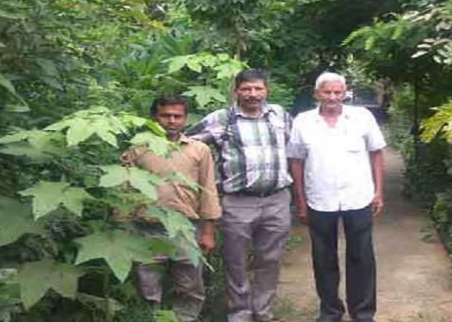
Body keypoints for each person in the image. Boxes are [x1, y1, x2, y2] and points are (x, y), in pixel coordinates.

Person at [188, 69, 292, 322]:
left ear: (266, 90)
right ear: (236, 92)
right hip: (237, 202)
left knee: (270, 259)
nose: (253, 94)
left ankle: (263, 310)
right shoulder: (221, 119)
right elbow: (187, 145)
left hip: (277, 199)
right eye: (246, 89)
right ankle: (240, 313)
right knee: (235, 261)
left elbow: (296, 147)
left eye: (258, 88)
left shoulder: (280, 115)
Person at [288, 72, 386, 322]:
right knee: (323, 258)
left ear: (345, 93)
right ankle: (330, 310)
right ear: (316, 94)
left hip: (358, 197)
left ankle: (363, 313)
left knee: (361, 256)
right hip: (319, 199)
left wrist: (378, 191)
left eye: (337, 92)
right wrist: (299, 201)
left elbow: (376, 153)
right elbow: (296, 162)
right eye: (327, 92)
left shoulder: (362, 117)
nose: (332, 97)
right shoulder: (303, 121)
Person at [121, 95, 221, 322]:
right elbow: (125, 191)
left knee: (190, 286)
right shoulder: (138, 150)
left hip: (186, 228)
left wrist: (208, 231)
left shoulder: (199, 149)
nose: (172, 121)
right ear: (154, 117)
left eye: (178, 116)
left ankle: (186, 318)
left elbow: (208, 190)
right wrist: (124, 230)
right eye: (166, 115)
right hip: (145, 228)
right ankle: (151, 318)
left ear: (185, 119)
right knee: (147, 285)